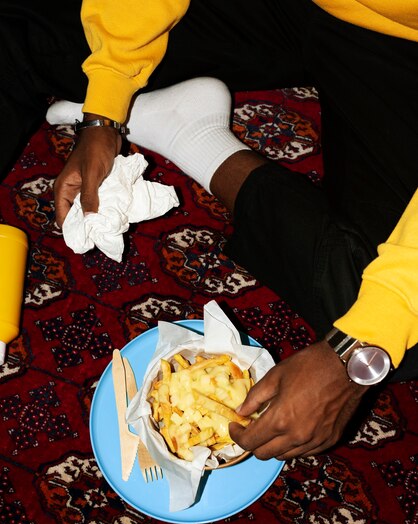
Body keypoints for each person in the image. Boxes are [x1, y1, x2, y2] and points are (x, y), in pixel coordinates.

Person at [4, 1, 418, 460]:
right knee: (31, 30)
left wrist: (357, 348)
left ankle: (194, 136)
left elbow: (379, 323)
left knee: (389, 322)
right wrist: (106, 105)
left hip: (402, 43)